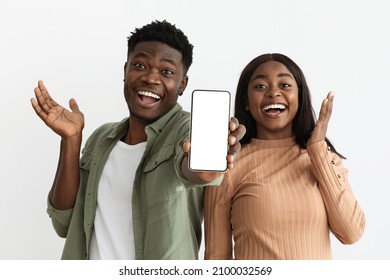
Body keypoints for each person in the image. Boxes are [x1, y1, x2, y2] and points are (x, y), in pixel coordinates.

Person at [30, 20, 245, 260]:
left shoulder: (185, 129)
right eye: (140, 65)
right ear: (125, 70)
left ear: (182, 84)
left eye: (166, 72)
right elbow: (64, 223)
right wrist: (71, 140)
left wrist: (209, 160)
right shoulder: (102, 138)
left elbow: (200, 173)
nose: (151, 78)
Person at [203, 53, 365, 260]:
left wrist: (317, 149)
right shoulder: (227, 164)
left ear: (300, 96)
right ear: (246, 101)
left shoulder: (322, 158)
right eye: (260, 86)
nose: (273, 93)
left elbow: (351, 233)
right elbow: (216, 258)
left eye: (285, 85)